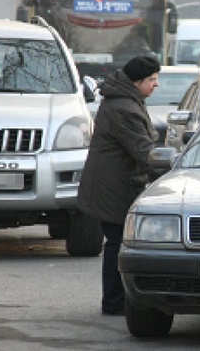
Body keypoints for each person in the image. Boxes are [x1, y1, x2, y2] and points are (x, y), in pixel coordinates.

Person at [76, 54, 160, 316]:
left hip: (115, 183)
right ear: (137, 82)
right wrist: (172, 168)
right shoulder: (124, 107)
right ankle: (114, 301)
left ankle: (116, 299)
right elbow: (143, 151)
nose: (156, 85)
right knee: (116, 243)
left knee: (116, 242)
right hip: (114, 186)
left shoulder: (126, 100)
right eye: (152, 80)